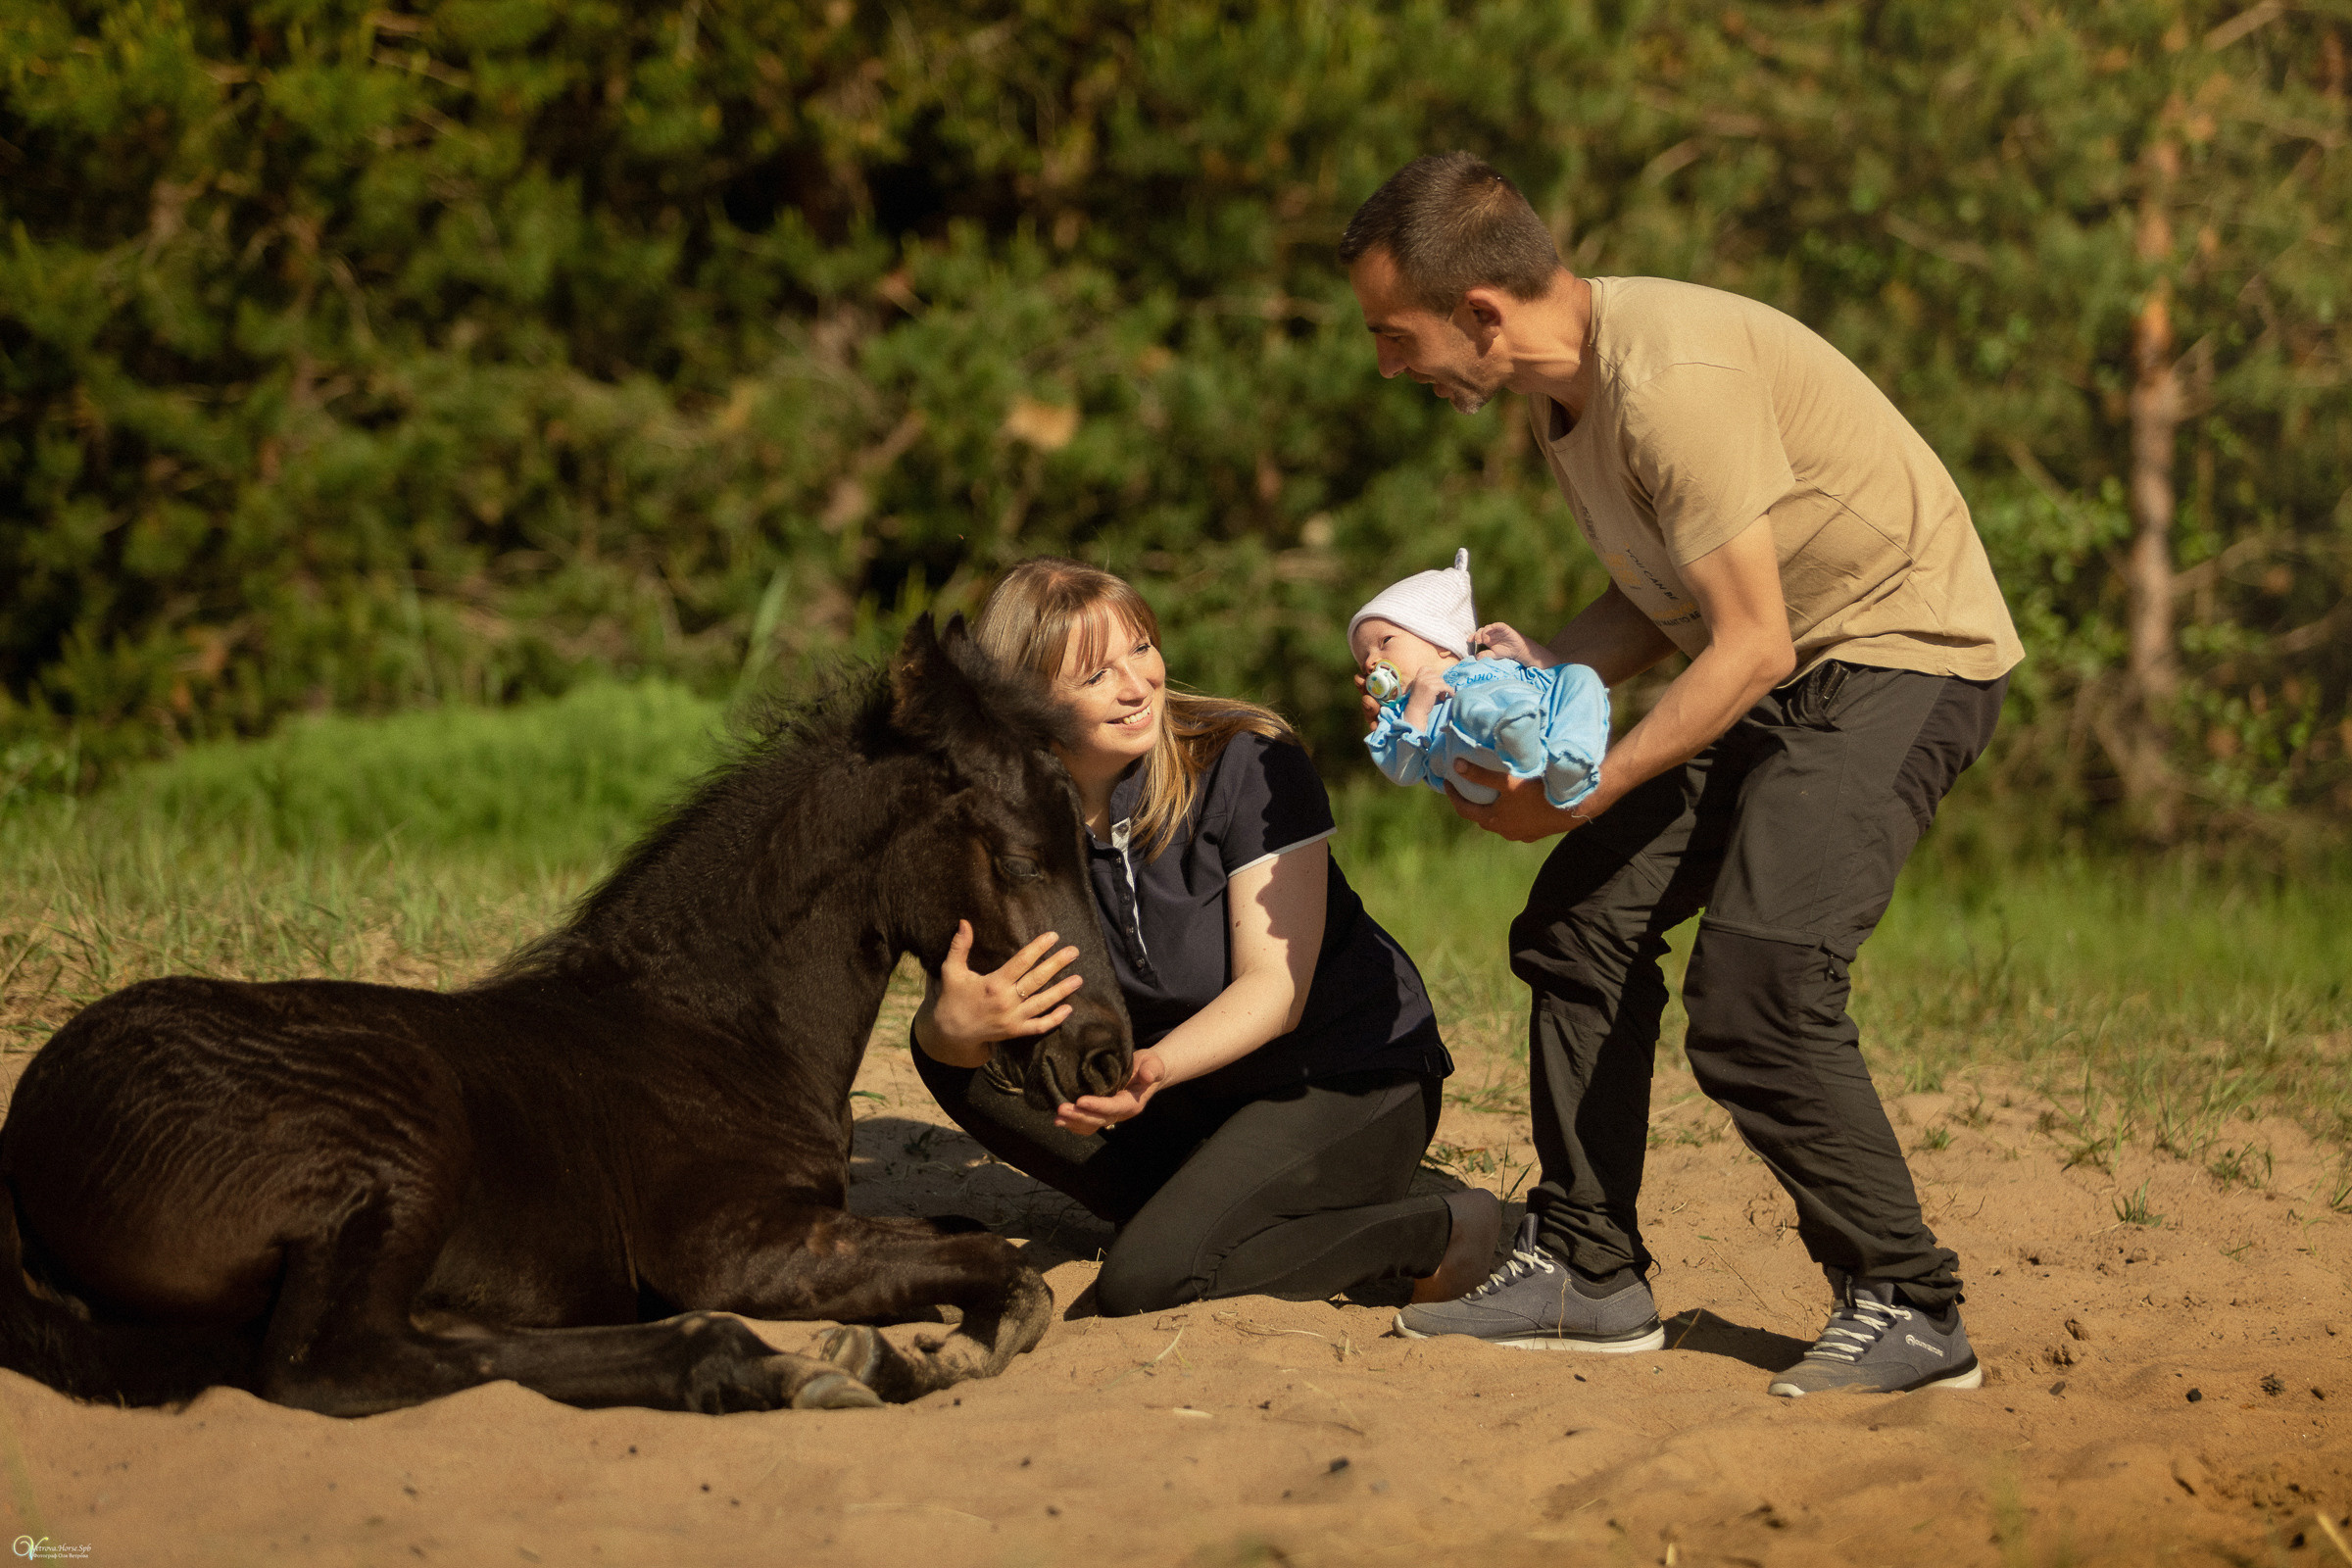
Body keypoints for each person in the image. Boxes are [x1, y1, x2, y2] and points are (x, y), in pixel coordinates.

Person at [1341, 152, 2023, 1395]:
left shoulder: (1667, 386)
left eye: (1397, 335)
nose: (1390, 365)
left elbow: (1751, 640)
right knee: (1582, 924)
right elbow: (1679, 601)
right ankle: (1590, 1270)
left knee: (1759, 976)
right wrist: (1539, 667)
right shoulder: (1565, 399)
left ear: (1482, 314)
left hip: (1902, 651)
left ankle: (1910, 1302)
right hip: (1787, 660)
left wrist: (1578, 791)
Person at [909, 557, 1502, 1317]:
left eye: (1142, 649)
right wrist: (948, 1027)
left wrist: (1152, 1067)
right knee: (957, 1053)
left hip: (1339, 1075)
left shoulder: (1249, 760)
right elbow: (976, 996)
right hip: (1190, 1100)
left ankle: (1444, 1228)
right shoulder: (1000, 817)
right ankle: (1227, 1212)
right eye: (1096, 675)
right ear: (1023, 699)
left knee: (1145, 1281)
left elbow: (1276, 992)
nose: (1138, 684)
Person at [1351, 547, 1609, 809]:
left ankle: (1571, 762)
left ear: (1440, 640)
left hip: (1544, 739)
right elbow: (1404, 773)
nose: (1371, 663)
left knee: (1580, 674)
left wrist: (1525, 652)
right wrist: (1416, 709)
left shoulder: (1495, 664)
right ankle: (1516, 739)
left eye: (1384, 642)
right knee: (1468, 704)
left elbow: (1555, 681)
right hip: (1477, 772)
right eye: (1364, 662)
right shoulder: (1399, 714)